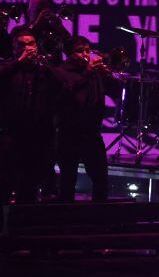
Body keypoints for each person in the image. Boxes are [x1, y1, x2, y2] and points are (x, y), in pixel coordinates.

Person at [0, 28, 66, 203]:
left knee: (30, 184)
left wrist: (46, 65)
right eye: (22, 45)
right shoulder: (8, 66)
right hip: (10, 133)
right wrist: (18, 62)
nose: (27, 48)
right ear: (14, 47)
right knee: (5, 181)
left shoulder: (44, 69)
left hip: (37, 134)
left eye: (31, 44)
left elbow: (63, 84)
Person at [57, 36, 117, 202]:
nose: (85, 54)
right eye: (80, 51)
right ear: (69, 53)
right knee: (68, 179)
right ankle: (65, 214)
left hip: (92, 133)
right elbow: (71, 90)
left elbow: (114, 91)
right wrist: (88, 72)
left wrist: (108, 73)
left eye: (87, 50)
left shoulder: (94, 72)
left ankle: (99, 215)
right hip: (69, 133)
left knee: (100, 178)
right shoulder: (62, 71)